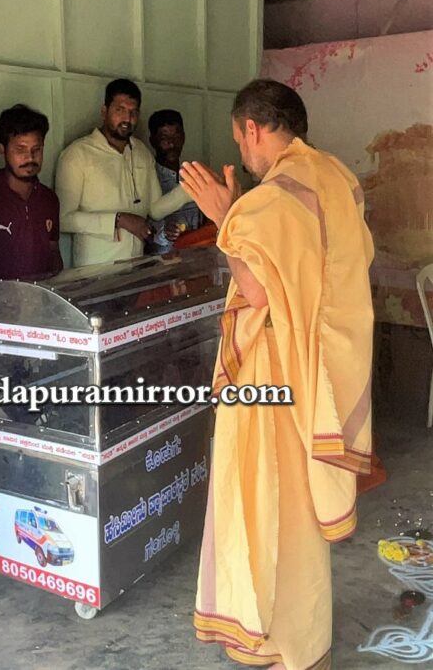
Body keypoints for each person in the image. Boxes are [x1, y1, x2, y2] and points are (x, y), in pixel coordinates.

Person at [181, 79, 373, 670]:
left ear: (253, 128)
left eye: (241, 141)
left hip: (273, 371)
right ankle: (300, 637)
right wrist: (245, 213)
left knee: (263, 501)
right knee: (297, 513)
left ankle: (275, 638)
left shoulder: (278, 195)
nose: (242, 155)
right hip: (316, 373)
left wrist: (226, 218)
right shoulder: (335, 178)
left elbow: (258, 289)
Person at [55, 78, 191, 267]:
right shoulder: (77, 154)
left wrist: (190, 189)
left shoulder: (141, 152)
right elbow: (63, 219)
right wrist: (119, 220)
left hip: (135, 268)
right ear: (104, 111)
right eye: (120, 110)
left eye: (133, 112)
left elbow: (155, 209)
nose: (127, 118)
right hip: (96, 271)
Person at [0, 104, 62, 281]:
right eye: (20, 150)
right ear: (2, 149)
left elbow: (53, 251)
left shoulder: (49, 199)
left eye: (36, 149)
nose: (30, 158)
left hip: (41, 295)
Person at [146, 109, 204, 255]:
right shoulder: (147, 177)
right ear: (152, 141)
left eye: (176, 136)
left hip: (196, 260)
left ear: (183, 137)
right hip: (163, 264)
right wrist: (163, 232)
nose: (172, 143)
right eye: (164, 137)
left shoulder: (194, 175)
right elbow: (143, 223)